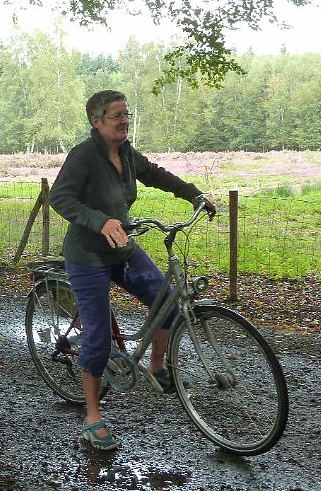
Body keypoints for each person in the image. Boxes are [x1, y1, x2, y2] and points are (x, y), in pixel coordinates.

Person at [48, 90, 215, 451]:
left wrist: (193, 194)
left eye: (127, 115)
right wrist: (100, 221)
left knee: (167, 300)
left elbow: (154, 174)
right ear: (97, 121)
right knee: (97, 338)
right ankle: (93, 417)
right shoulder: (84, 156)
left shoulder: (125, 153)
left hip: (123, 248)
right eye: (117, 116)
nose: (125, 121)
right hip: (88, 255)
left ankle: (156, 366)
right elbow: (59, 197)